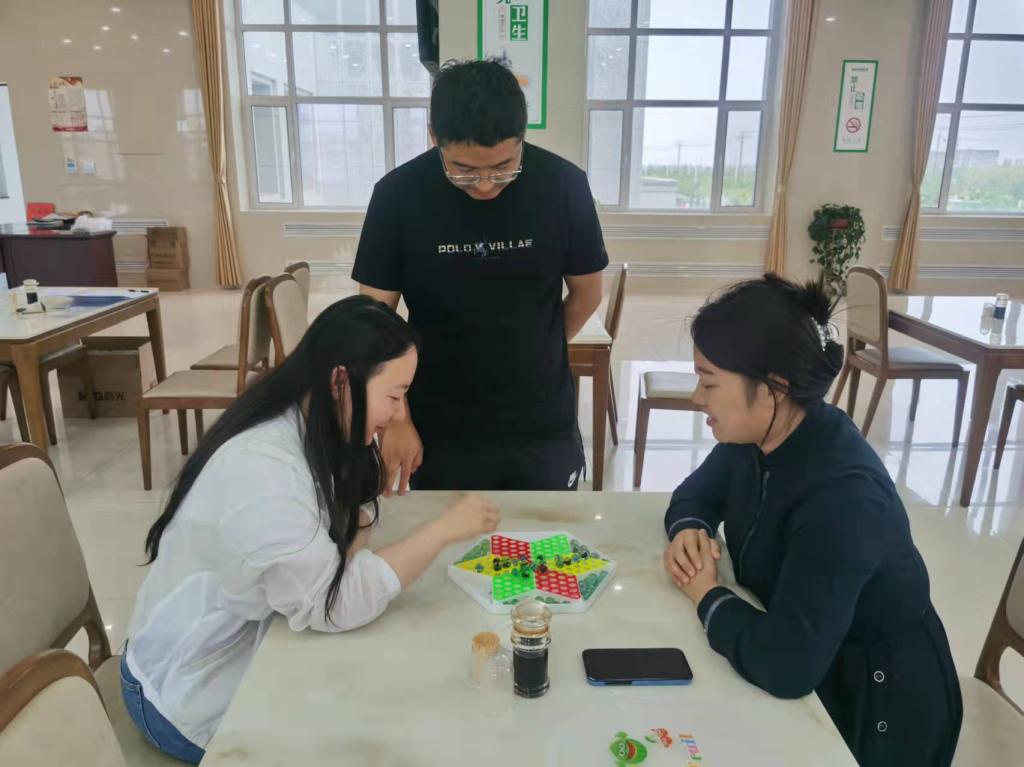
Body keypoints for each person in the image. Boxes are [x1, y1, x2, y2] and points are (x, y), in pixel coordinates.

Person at [121, 296, 500, 762]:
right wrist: (442, 530)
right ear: (341, 381)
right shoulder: (262, 471)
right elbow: (333, 603)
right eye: (395, 396)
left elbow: (343, 538)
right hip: (183, 695)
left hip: (243, 642)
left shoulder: (309, 419)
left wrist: (360, 495)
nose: (400, 415)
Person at [662, 275, 962, 767]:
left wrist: (706, 593)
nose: (698, 398)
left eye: (709, 382)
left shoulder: (843, 497)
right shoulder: (760, 435)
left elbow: (788, 665)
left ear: (773, 389)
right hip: (804, 654)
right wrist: (690, 530)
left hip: (874, 702)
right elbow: (694, 495)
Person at [353, 58, 608, 493]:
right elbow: (374, 321)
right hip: (437, 419)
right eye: (464, 170)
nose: (486, 184)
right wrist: (397, 419)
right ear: (434, 137)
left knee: (542, 532)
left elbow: (587, 294)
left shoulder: (564, 185)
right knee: (447, 533)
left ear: (523, 137)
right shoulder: (397, 196)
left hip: (540, 421)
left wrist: (536, 347)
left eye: (504, 167)